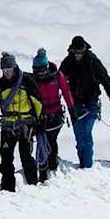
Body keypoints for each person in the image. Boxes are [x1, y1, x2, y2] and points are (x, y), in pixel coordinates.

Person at [0, 52, 45, 192]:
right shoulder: (0, 85)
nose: (6, 73)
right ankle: (8, 189)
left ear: (14, 67)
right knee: (6, 159)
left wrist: (40, 120)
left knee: (26, 156)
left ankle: (33, 185)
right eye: (4, 70)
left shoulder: (26, 81)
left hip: (26, 125)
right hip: (8, 126)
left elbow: (37, 102)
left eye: (8, 69)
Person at [59, 35, 110, 168]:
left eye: (80, 52)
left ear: (84, 49)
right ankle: (83, 163)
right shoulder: (68, 62)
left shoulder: (92, 61)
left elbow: (106, 81)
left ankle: (87, 166)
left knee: (86, 133)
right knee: (79, 135)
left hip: (92, 102)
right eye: (75, 52)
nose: (78, 55)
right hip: (75, 103)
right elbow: (58, 80)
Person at [31, 48, 74, 178]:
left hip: (56, 115)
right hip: (41, 116)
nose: (40, 74)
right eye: (37, 71)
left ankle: (51, 164)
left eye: (42, 70)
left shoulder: (57, 76)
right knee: (45, 140)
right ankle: (47, 165)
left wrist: (72, 110)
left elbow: (66, 93)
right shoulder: (33, 80)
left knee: (50, 139)